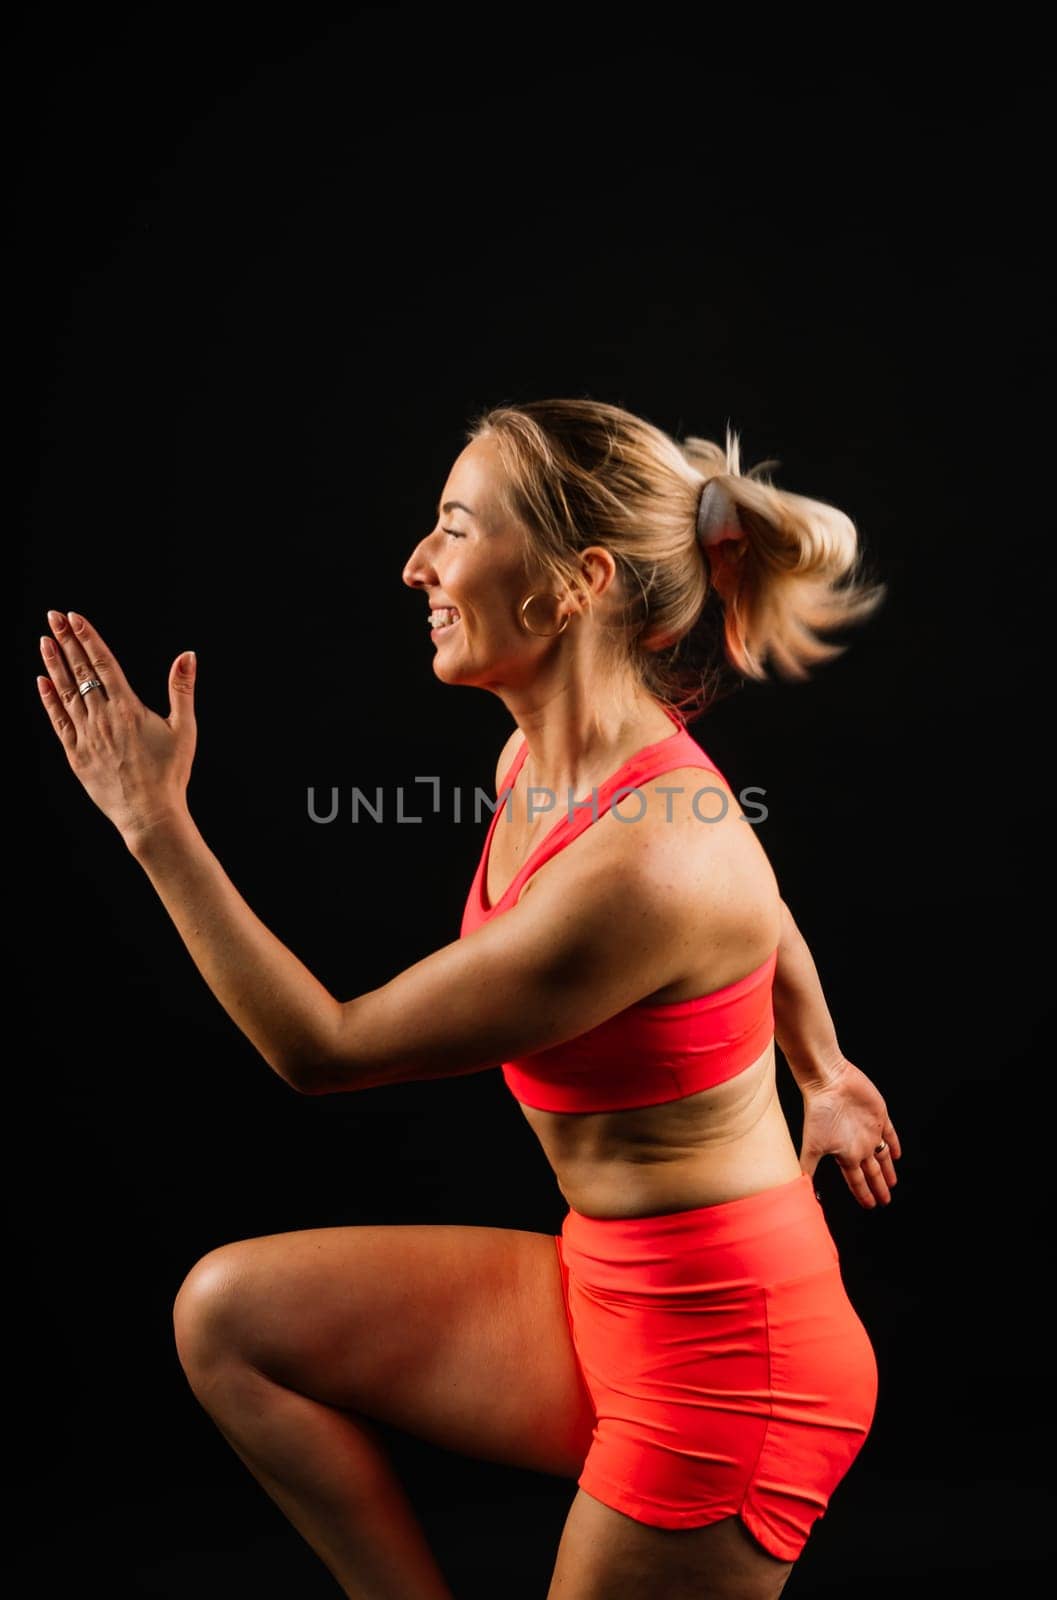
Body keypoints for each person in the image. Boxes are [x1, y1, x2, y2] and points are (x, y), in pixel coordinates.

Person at [36, 397, 900, 1600]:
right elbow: (754, 906)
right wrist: (824, 1069)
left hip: (727, 1364)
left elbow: (322, 1050)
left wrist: (154, 827)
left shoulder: (645, 865)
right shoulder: (558, 768)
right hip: (606, 1282)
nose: (416, 565)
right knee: (229, 1317)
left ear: (572, 583)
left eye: (453, 527)